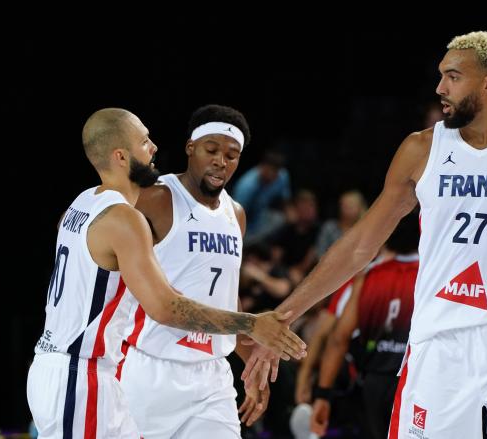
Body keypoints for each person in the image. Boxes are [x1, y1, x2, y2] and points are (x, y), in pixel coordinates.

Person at [243, 31, 487, 438]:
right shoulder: (421, 150)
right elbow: (360, 246)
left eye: (453, 77)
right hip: (438, 339)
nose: (440, 88)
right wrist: (283, 314)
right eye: (441, 76)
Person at [26, 108, 305, 439]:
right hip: (125, 367)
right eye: (144, 142)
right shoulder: (141, 206)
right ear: (191, 148)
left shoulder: (86, 202)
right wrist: (253, 323)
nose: (154, 147)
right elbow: (166, 307)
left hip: (204, 375)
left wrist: (249, 355)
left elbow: (218, 299)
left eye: (231, 154)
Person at [117, 105, 300, 438]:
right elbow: (96, 230)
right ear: (191, 148)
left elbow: (228, 303)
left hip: (212, 378)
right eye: (211, 150)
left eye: (232, 155)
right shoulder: (156, 198)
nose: (221, 161)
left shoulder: (237, 214)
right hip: (150, 370)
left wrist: (251, 366)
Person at [311, 213, 420, 439]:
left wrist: (323, 394)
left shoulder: (368, 276)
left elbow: (338, 339)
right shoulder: (432, 273)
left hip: (374, 384)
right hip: (415, 381)